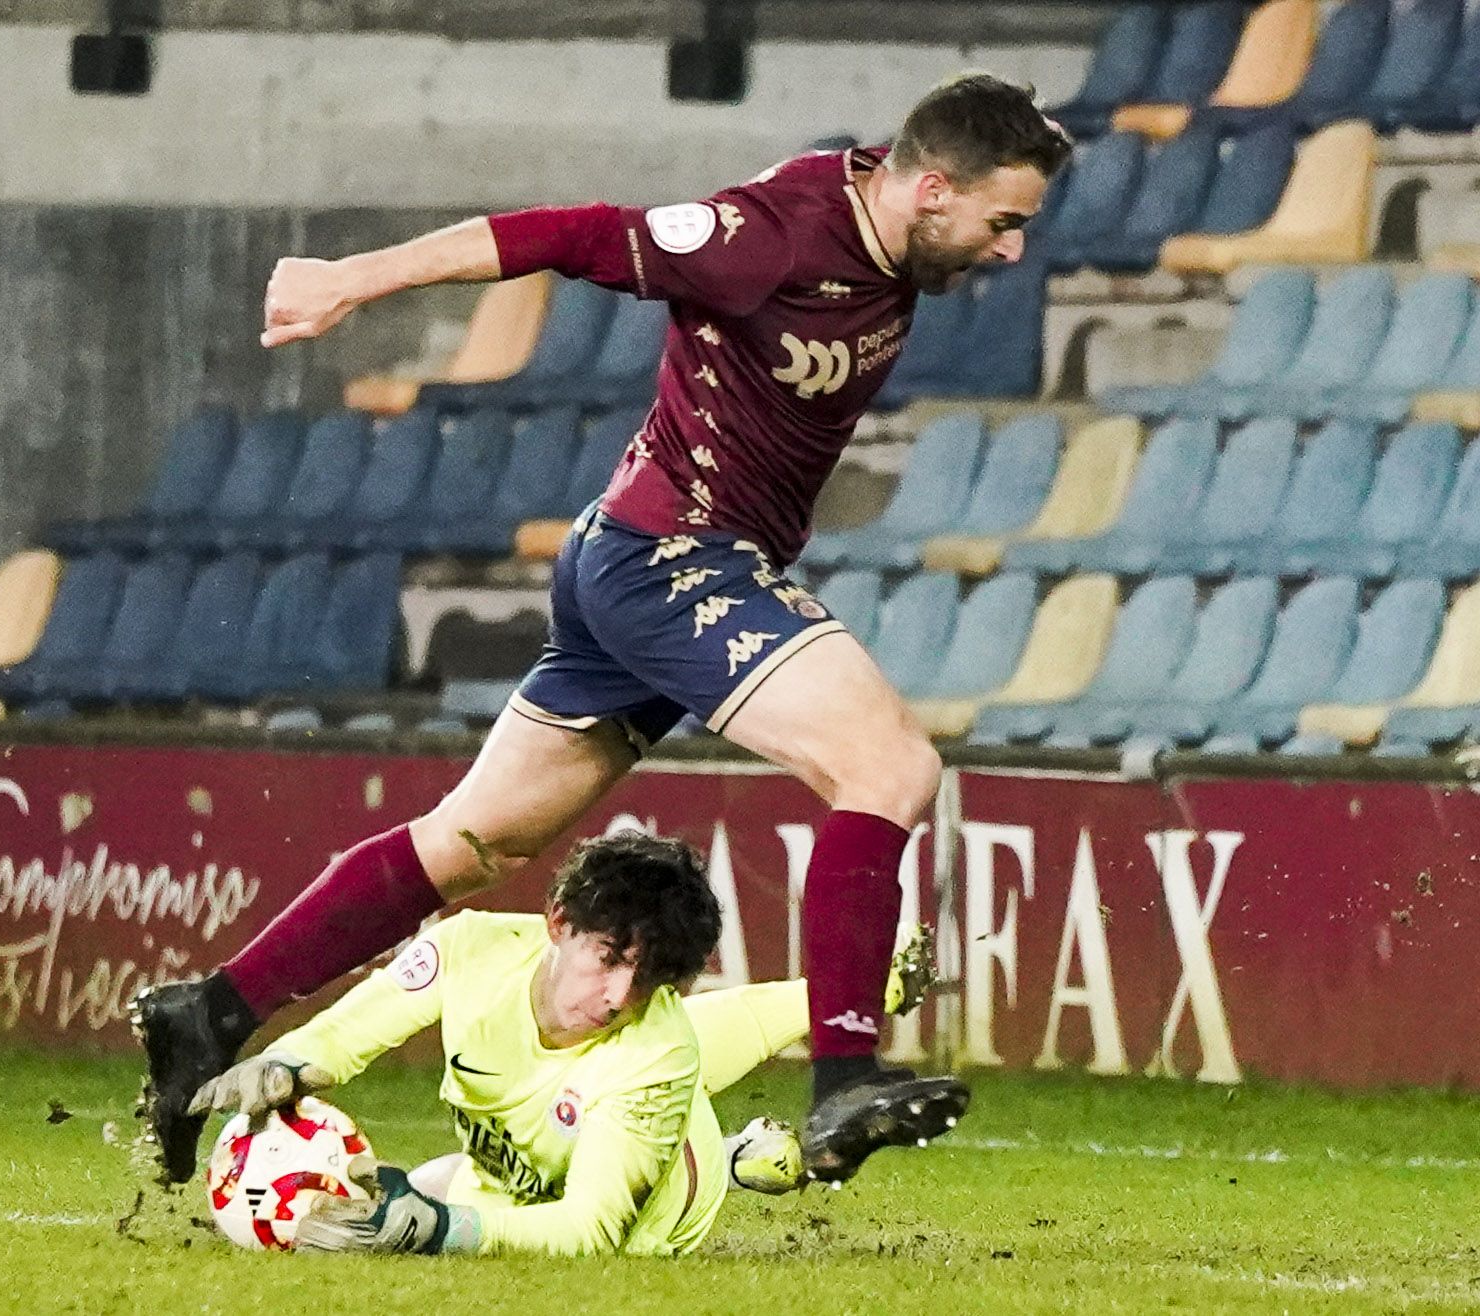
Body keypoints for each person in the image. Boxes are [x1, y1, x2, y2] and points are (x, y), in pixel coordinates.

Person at [136, 71, 1071, 1188]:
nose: (1009, 250)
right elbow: (574, 233)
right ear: (929, 189)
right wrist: (354, 278)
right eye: (1002, 222)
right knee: (888, 765)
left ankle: (212, 1007)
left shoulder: (876, 213)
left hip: (637, 560)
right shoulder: (766, 238)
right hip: (672, 556)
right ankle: (843, 1083)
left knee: (476, 839)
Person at [190, 832, 927, 1256]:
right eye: (608, 959)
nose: (616, 997)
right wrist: (285, 1064)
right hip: (512, 1165)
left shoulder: (652, 1048)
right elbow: (356, 1026)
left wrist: (441, 1232)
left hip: (663, 1196)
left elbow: (591, 1231)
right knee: (423, 1187)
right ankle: (862, 991)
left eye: (648, 980)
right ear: (557, 923)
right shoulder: (473, 949)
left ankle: (735, 1158)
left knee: (676, 1047)